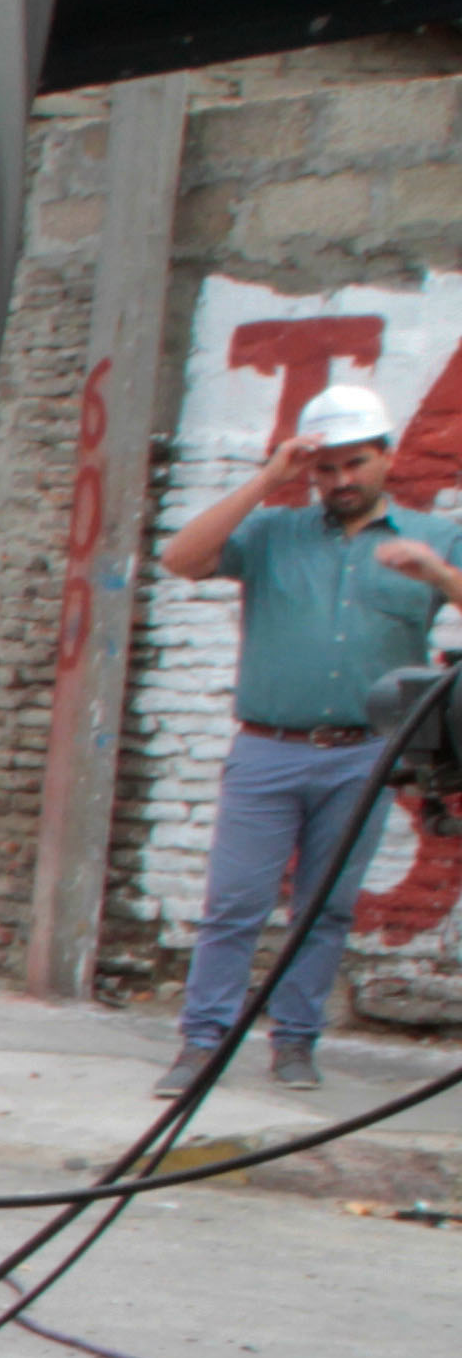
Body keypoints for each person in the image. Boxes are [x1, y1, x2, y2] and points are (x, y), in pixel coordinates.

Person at [157, 376, 461, 1093]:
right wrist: (269, 478)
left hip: (366, 753)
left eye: (355, 462)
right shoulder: (270, 531)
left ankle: (296, 1042)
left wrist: (438, 575)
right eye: (326, 466)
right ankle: (203, 1042)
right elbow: (180, 559)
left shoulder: (432, 536)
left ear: (386, 458)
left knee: (325, 908)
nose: (340, 479)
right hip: (268, 747)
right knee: (236, 901)